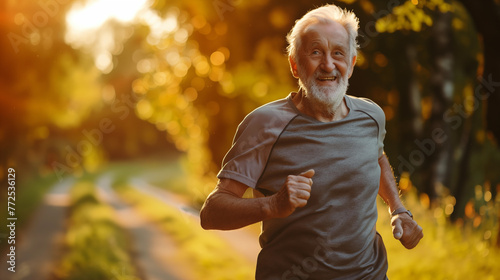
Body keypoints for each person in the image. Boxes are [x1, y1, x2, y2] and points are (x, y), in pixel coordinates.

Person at [200, 4, 423, 279]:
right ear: (295, 64)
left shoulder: (371, 116)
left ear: (351, 64)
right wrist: (272, 205)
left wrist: (399, 210)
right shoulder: (264, 124)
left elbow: (376, 158)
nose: (328, 64)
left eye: (338, 53)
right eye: (316, 52)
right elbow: (211, 213)